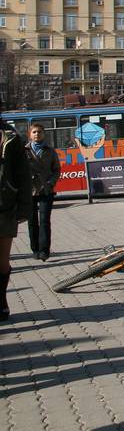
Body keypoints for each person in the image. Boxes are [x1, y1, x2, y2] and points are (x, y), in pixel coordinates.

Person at [0, 115, 34, 321]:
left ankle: (1, 299)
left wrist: (24, 208)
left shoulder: (10, 137)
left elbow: (23, 175)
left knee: (2, 261)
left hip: (5, 207)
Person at [25, 123, 60, 261]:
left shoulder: (50, 151)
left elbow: (56, 169)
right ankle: (35, 249)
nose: (37, 134)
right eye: (34, 132)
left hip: (46, 190)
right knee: (32, 221)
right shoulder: (24, 151)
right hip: (29, 190)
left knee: (45, 221)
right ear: (30, 135)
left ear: (44, 134)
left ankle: (44, 250)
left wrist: (51, 182)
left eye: (39, 132)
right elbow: (19, 170)